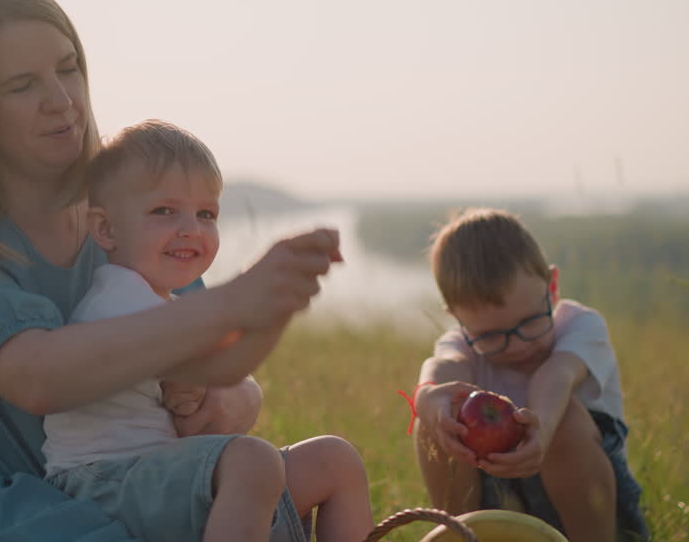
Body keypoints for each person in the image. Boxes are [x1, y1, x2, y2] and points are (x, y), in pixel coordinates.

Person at [0, 0, 344, 541]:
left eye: (68, 69)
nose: (62, 101)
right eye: (21, 85)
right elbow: (38, 376)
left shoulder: (130, 217)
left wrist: (236, 397)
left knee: (312, 471)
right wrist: (238, 301)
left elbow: (202, 358)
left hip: (118, 482)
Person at [42, 119, 373, 542]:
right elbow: (224, 365)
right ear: (106, 229)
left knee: (334, 460)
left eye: (206, 214)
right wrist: (274, 298)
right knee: (252, 461)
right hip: (103, 484)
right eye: (164, 210)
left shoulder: (168, 306)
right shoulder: (120, 300)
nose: (190, 229)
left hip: (162, 478)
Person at [409, 208, 649, 542]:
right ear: (458, 320)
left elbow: (557, 375)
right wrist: (428, 398)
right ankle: (460, 534)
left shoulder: (580, 327)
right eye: (491, 335)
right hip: (495, 513)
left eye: (531, 322)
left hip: (593, 517)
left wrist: (541, 431)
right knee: (437, 419)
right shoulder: (464, 345)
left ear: (552, 287)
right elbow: (443, 366)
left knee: (563, 415)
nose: (519, 346)